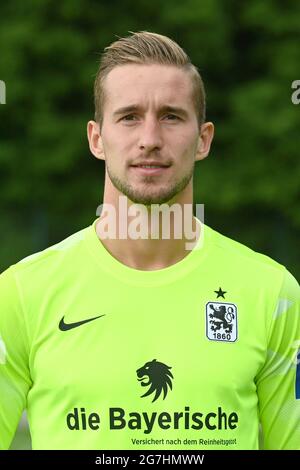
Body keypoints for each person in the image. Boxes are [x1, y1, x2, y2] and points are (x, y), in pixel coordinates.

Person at [0, 31, 299, 451]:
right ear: (96, 139)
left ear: (204, 139)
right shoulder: (20, 293)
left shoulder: (273, 293)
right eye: (129, 117)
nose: (150, 139)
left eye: (172, 116)